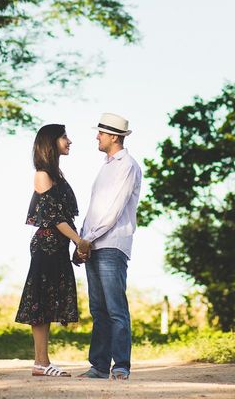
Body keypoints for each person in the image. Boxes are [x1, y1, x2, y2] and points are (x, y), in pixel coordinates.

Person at [14, 123, 91, 377]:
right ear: (51, 142)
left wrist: (74, 243)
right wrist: (79, 241)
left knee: (47, 302)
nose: (69, 141)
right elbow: (56, 217)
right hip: (46, 245)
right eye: (64, 137)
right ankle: (41, 362)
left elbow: (66, 217)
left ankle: (42, 363)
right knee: (40, 302)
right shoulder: (42, 174)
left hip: (58, 246)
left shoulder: (57, 174)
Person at [74, 112, 143, 381]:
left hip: (112, 245)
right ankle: (99, 366)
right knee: (98, 310)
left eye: (101, 133)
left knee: (115, 308)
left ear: (114, 136)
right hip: (93, 243)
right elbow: (95, 209)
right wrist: (82, 239)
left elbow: (113, 210)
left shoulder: (127, 166)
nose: (97, 136)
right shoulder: (105, 166)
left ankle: (121, 366)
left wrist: (87, 239)